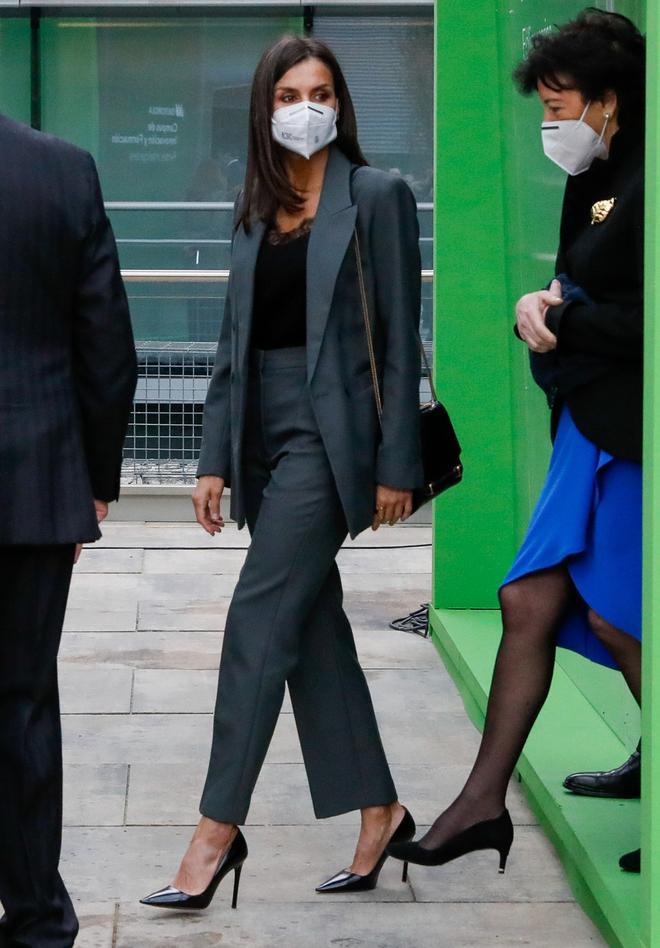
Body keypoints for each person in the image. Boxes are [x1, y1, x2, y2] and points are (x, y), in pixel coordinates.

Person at [141, 34, 423, 911]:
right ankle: (380, 810)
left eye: (325, 90)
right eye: (293, 92)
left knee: (258, 621)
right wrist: (214, 458)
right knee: (310, 630)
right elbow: (233, 344)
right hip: (261, 440)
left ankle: (215, 832)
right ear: (266, 108)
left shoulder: (375, 196)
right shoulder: (255, 207)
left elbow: (402, 342)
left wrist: (395, 462)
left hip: (329, 440)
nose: (312, 105)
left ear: (341, 102)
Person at [388, 9, 645, 876]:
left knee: (618, 617)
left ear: (609, 100)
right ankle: (479, 804)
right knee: (528, 600)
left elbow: (637, 319)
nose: (550, 124)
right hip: (586, 422)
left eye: (560, 103)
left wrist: (562, 315)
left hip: (630, 434)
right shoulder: (600, 171)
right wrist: (541, 302)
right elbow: (579, 275)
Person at [0, 115, 137, 946]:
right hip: (34, 480)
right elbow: (107, 341)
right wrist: (93, 478)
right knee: (18, 702)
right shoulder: (63, 169)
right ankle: (39, 918)